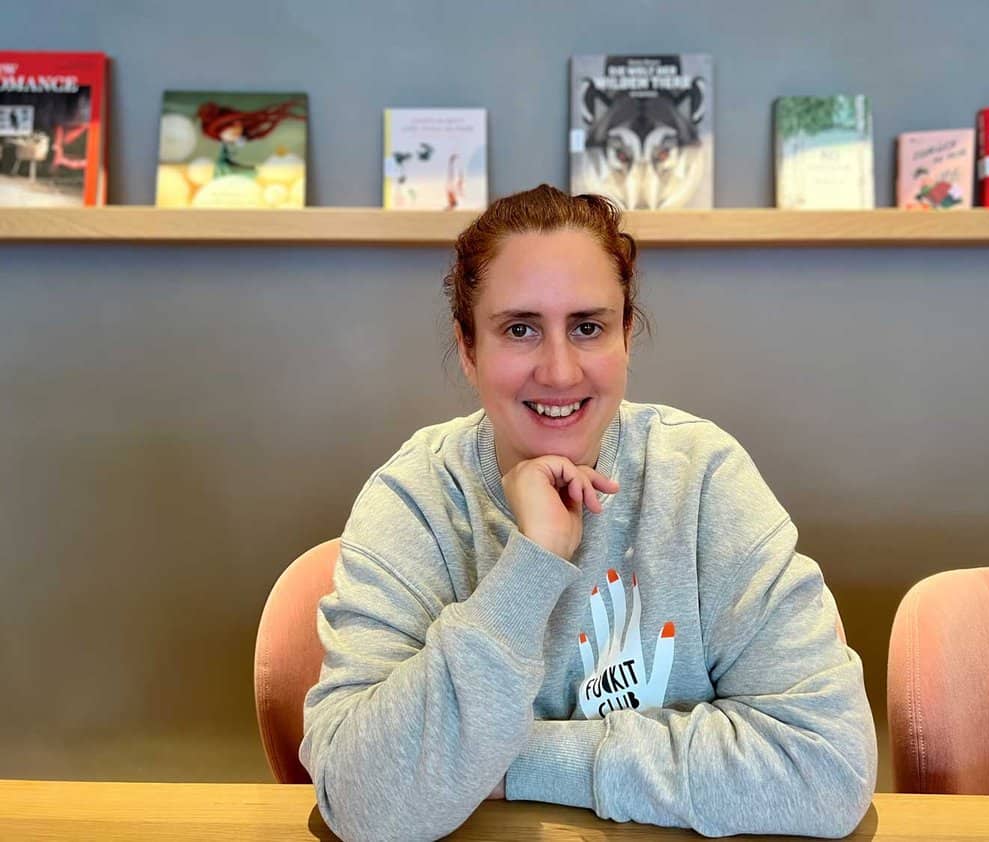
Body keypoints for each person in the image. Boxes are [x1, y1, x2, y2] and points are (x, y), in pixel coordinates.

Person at [300, 184, 877, 841]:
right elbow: (365, 804)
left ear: (626, 336)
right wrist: (531, 567)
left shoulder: (703, 478)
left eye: (587, 327)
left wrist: (508, 760)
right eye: (520, 329)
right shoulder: (416, 499)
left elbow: (826, 767)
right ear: (468, 349)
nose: (559, 370)